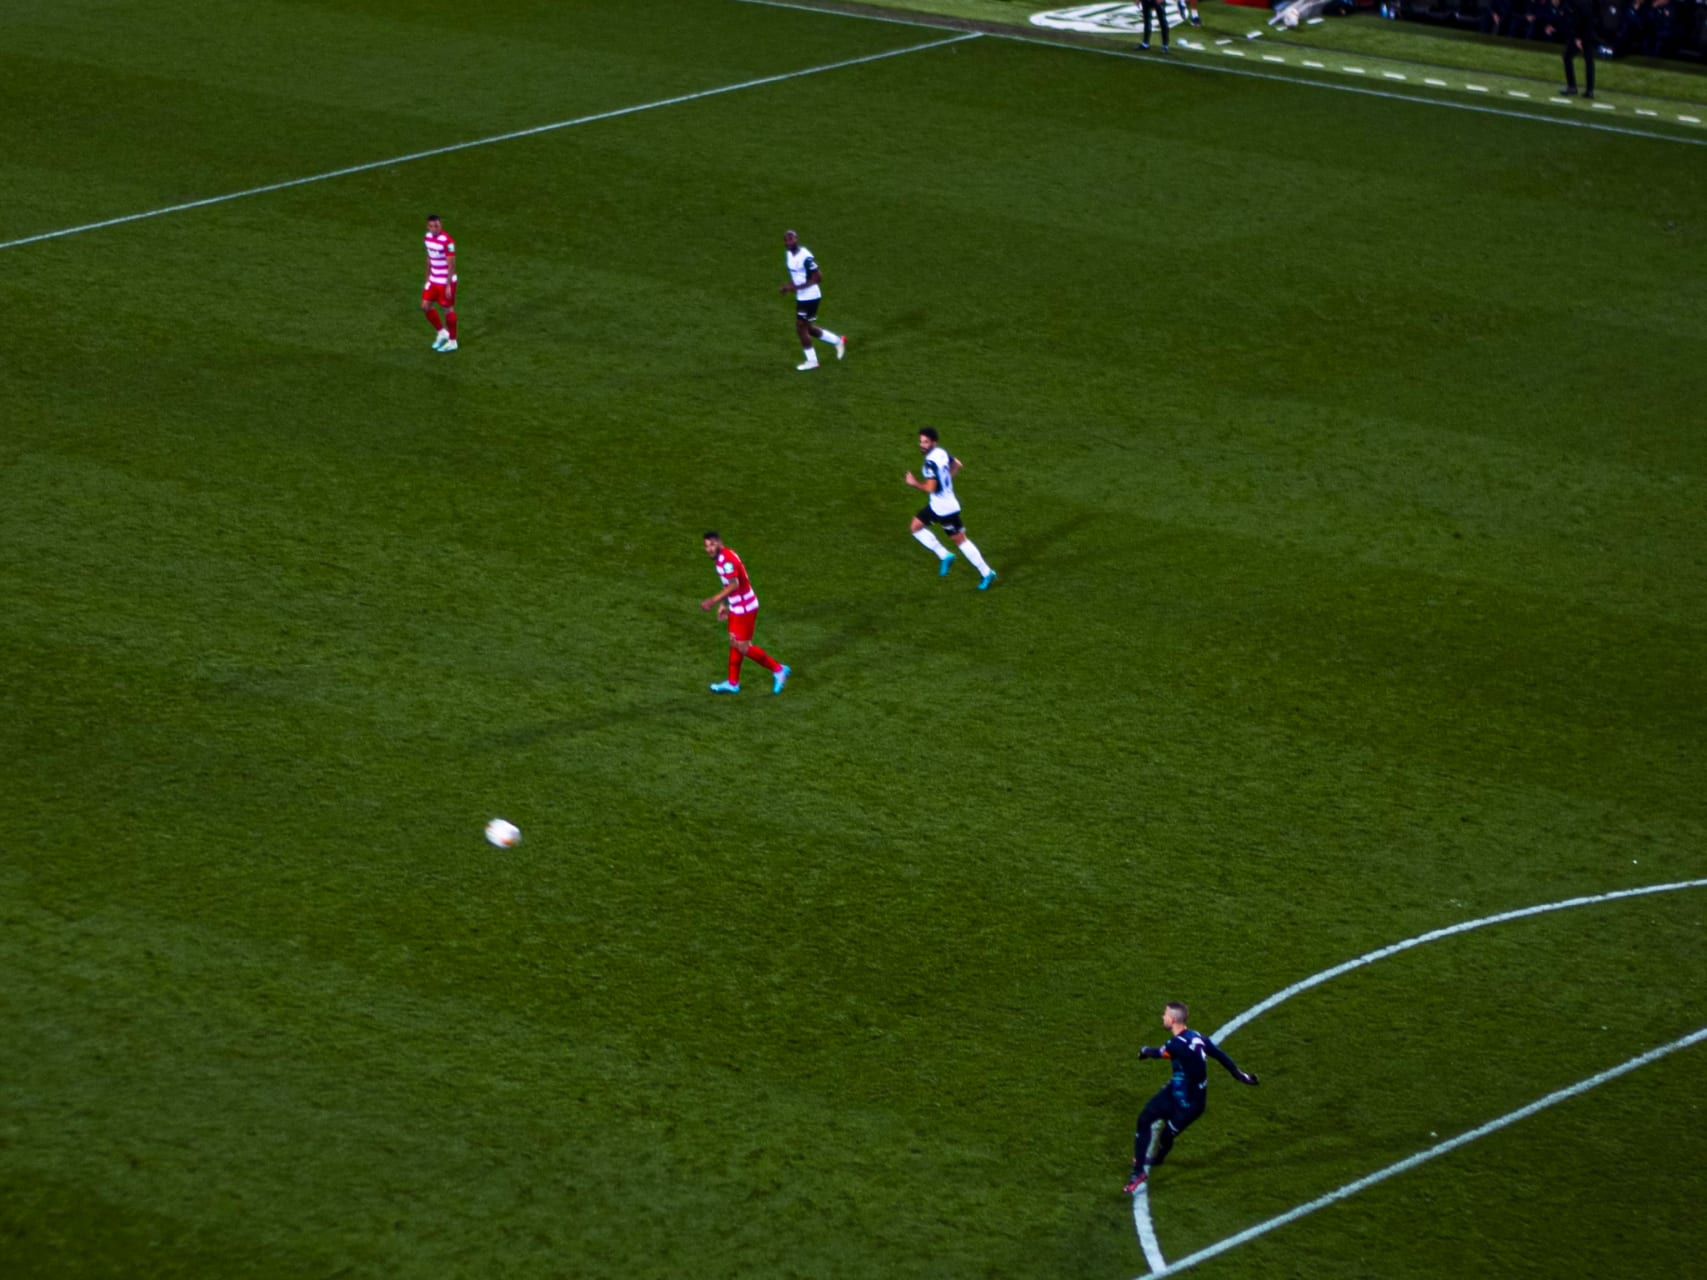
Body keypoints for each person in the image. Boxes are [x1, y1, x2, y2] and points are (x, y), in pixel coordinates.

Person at [1124, 1002, 1260, 1192]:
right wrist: (1241, 1076)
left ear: (1172, 1020)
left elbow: (1160, 1053)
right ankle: (1139, 1172)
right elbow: (1221, 1056)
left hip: (1190, 1104)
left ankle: (1158, 1159)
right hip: (1175, 1091)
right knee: (1144, 1118)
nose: (1162, 1017)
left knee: (1166, 1135)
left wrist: (1145, 1051)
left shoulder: (1175, 1044)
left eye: (1165, 1015)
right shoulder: (1197, 1037)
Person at [699, 532, 790, 695]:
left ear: (720, 542)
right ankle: (732, 683)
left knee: (743, 647)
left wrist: (712, 601)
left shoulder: (727, 560)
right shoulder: (720, 560)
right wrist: (724, 604)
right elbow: (727, 585)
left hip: (745, 607)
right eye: (706, 546)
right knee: (734, 641)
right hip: (736, 606)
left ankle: (778, 669)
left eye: (712, 544)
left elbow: (734, 584)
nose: (709, 549)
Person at [905, 428, 996, 590]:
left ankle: (987, 572)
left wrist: (914, 483)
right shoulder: (941, 452)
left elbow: (930, 488)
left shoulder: (930, 464)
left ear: (934, 442)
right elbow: (957, 465)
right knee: (915, 527)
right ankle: (945, 555)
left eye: (926, 442)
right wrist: (946, 481)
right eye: (921, 441)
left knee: (961, 541)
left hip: (945, 510)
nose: (922, 445)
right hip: (936, 506)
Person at [779, 230, 847, 372]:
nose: (789, 242)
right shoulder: (789, 255)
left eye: (791, 239)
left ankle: (812, 361)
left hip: (810, 296)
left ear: (797, 239)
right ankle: (838, 341)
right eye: (786, 240)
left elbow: (818, 277)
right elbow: (797, 276)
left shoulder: (806, 257)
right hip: (802, 296)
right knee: (808, 328)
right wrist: (788, 286)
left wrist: (796, 287)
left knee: (800, 328)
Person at [421, 214, 459, 352]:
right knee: (425, 306)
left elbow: (452, 264)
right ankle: (442, 333)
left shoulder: (448, 241)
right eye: (432, 226)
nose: (435, 228)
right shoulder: (427, 238)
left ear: (440, 225)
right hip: (433, 279)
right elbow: (429, 258)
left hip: (445, 280)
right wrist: (427, 279)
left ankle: (453, 341)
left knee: (447, 309)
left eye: (437, 225)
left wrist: (448, 285)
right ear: (428, 227)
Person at [1546, 0, 1597, 98]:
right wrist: (1555, 26)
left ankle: (1573, 87)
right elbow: (1568, 17)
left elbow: (1581, 17)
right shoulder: (1571, 4)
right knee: (1587, 61)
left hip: (1584, 34)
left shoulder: (1576, 3)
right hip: (1587, 33)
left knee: (1569, 57)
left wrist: (1578, 37)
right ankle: (1588, 90)